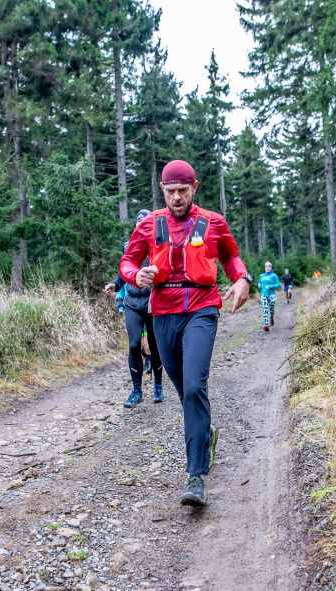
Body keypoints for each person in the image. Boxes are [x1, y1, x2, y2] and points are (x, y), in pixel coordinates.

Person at [119, 160, 251, 507]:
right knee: (184, 391)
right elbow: (127, 262)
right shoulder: (149, 224)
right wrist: (136, 276)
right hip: (163, 312)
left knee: (194, 386)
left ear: (194, 187)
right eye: (170, 191)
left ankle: (195, 477)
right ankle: (204, 432)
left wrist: (242, 279)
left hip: (202, 309)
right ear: (162, 190)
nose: (176, 197)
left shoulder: (213, 222)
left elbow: (231, 257)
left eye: (182, 190)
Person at [105, 209, 164, 407]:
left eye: (144, 222)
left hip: (151, 303)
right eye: (138, 222)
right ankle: (137, 391)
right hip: (132, 303)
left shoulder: (158, 245)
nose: (140, 225)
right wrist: (116, 285)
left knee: (154, 345)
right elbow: (124, 270)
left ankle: (158, 385)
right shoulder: (128, 246)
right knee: (133, 345)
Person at [257, 261, 281, 332]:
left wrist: (270, 286)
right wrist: (259, 285)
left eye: (269, 266)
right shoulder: (261, 275)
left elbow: (278, 284)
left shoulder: (274, 275)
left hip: (272, 295)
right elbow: (259, 282)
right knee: (265, 308)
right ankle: (266, 324)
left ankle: (271, 318)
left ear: (271, 267)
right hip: (263, 294)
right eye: (266, 266)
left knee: (271, 309)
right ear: (264, 267)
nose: (267, 268)